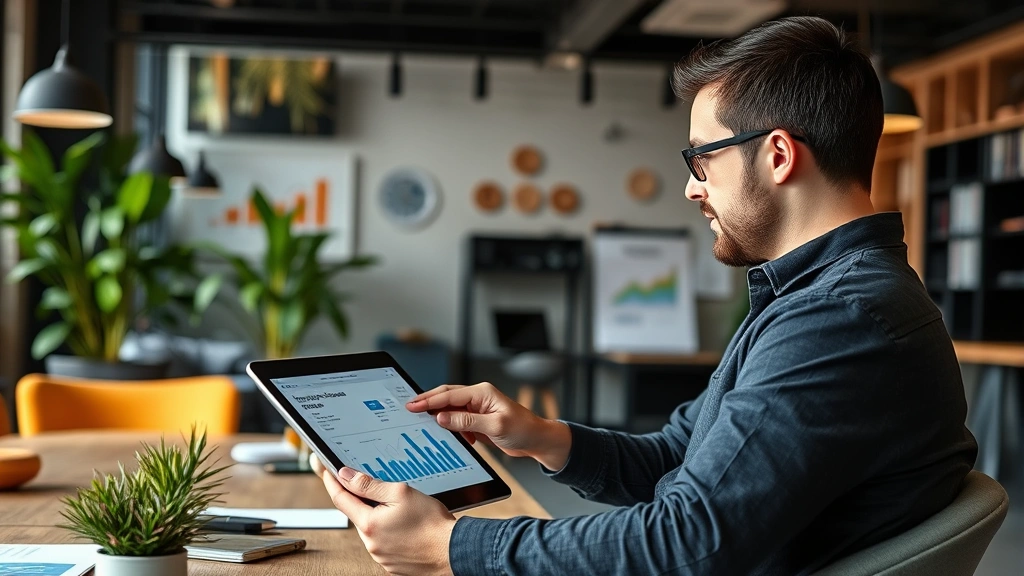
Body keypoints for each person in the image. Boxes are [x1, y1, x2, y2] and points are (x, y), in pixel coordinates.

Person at [315, 16, 978, 575]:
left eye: (701, 159)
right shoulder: (818, 298)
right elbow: (678, 458)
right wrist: (543, 436)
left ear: (778, 156)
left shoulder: (838, 318)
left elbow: (687, 542)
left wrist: (450, 547)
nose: (692, 187)